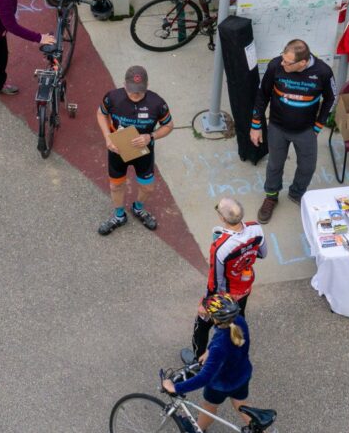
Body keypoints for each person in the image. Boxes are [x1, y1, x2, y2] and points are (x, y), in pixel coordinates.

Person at [249, 39, 335, 224]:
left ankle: (297, 193)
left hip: (306, 131)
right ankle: (271, 196)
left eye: (288, 62)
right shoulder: (275, 66)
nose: (282, 64)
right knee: (274, 165)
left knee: (307, 167)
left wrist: (318, 126)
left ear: (302, 63)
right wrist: (255, 125)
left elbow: (331, 99)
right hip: (277, 127)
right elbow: (262, 94)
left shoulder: (323, 72)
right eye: (282, 58)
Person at [183, 198, 267, 364]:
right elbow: (263, 254)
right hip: (245, 285)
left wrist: (206, 304)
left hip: (226, 294)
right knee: (238, 316)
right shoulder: (256, 228)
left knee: (202, 325)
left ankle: (197, 360)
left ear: (222, 218)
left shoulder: (220, 247)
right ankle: (236, 343)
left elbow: (215, 281)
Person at [96, 65, 173, 235]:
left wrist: (150, 136)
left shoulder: (157, 103)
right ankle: (119, 215)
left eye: (139, 91)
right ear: (124, 84)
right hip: (118, 150)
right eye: (131, 90)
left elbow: (168, 125)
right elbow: (101, 114)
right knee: (116, 186)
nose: (135, 95)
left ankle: (138, 208)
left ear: (147, 85)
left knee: (148, 188)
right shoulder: (112, 97)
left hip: (143, 152)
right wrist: (108, 137)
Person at [163, 295, 253, 431]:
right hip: (241, 375)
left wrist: (175, 388)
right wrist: (209, 351)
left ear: (216, 319)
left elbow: (204, 378)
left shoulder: (219, 346)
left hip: (220, 384)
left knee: (209, 407)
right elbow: (222, 342)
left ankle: (198, 429)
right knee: (240, 405)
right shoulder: (239, 322)